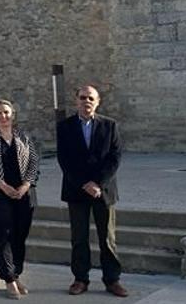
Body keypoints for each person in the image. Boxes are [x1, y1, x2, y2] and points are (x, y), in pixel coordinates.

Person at [57, 86, 127, 297]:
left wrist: (97, 183)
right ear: (76, 101)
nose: (86, 101)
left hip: (103, 191)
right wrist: (84, 183)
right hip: (76, 191)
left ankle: (112, 280)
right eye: (82, 98)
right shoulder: (65, 126)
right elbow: (65, 159)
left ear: (98, 102)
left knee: (107, 237)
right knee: (79, 237)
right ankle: (80, 279)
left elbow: (114, 158)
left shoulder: (110, 125)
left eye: (90, 98)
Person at [0, 100, 39, 300]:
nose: (3, 116)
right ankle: (8, 278)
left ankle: (17, 273)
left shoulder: (24, 137)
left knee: (19, 237)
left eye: (6, 112)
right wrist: (3, 185)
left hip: (22, 194)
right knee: (1, 237)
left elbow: (34, 163)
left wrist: (25, 186)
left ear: (13, 115)